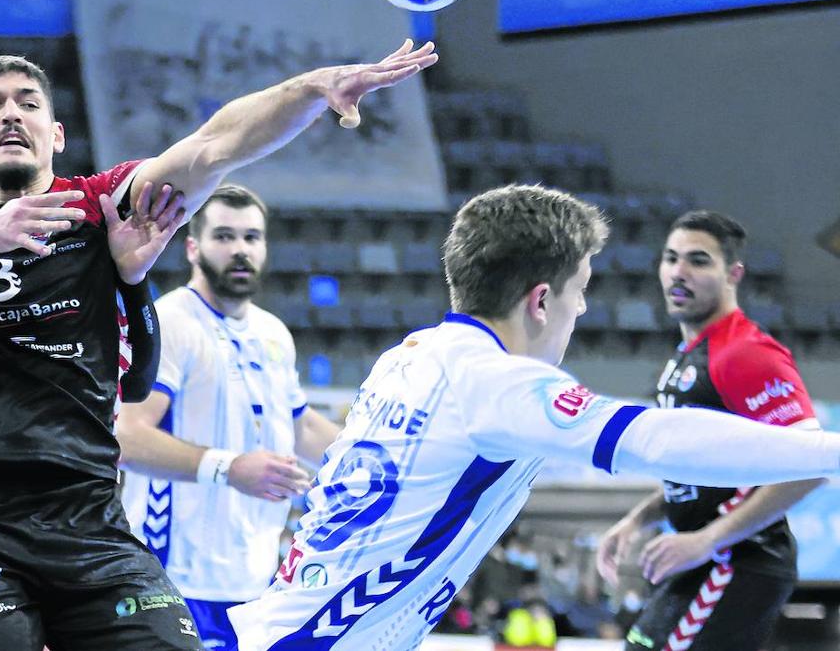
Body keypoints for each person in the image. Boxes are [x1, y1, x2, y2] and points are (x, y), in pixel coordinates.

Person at [0, 40, 440, 650]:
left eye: (28, 101)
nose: (11, 113)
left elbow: (213, 145)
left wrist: (310, 89)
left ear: (56, 134)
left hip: (89, 516)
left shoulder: (98, 207)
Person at [224, 185, 840, 651]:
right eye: (581, 292)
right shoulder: (498, 384)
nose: (583, 309)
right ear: (542, 300)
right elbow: (654, 439)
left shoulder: (408, 357)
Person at [117, 183, 341, 649]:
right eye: (224, 236)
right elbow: (126, 435)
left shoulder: (273, 332)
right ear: (194, 248)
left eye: (251, 238)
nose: (240, 250)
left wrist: (372, 460)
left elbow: (300, 427)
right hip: (173, 580)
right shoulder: (171, 322)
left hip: (254, 586)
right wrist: (229, 467)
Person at [596, 211, 823, 651]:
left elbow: (810, 466)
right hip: (704, 561)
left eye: (698, 261)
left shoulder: (747, 353)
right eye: (671, 258)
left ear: (733, 274)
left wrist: (707, 540)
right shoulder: (687, 355)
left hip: (738, 560)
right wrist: (639, 519)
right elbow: (705, 472)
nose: (679, 272)